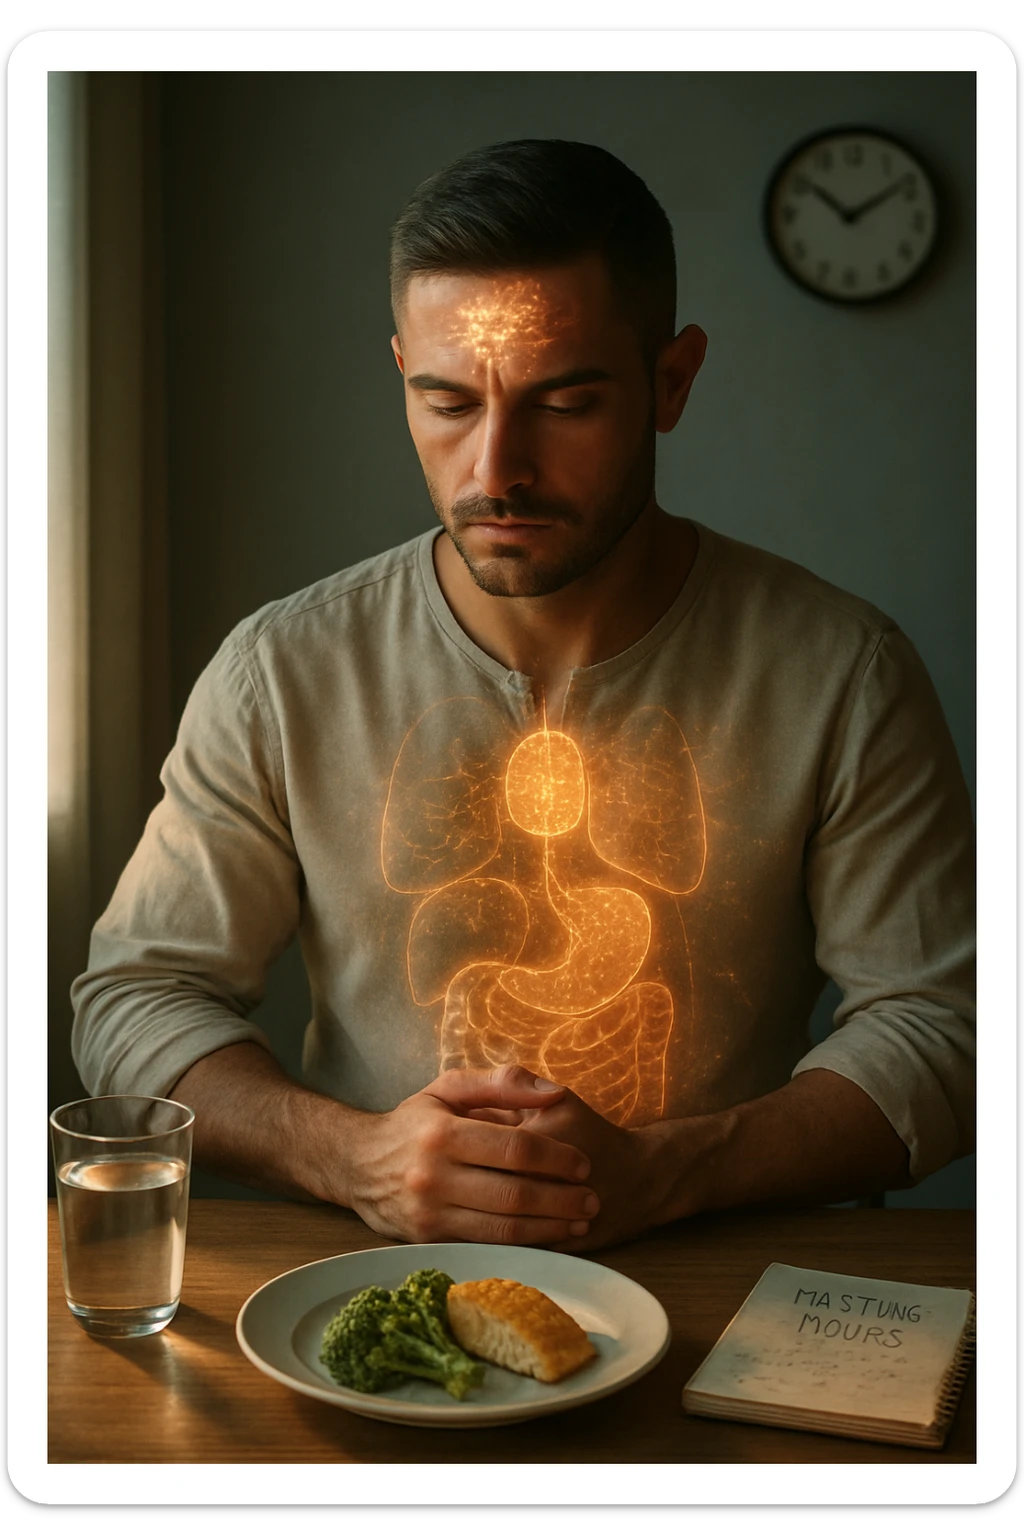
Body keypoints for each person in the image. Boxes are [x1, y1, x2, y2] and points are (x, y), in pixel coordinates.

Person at [71, 140, 975, 1251]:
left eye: (565, 402)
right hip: (374, 1289)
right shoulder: (282, 673)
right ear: (400, 369)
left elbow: (947, 1025)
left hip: (723, 1280)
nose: (495, 468)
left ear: (671, 380)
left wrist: (665, 1172)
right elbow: (135, 996)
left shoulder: (843, 674)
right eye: (446, 402)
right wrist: (352, 1157)